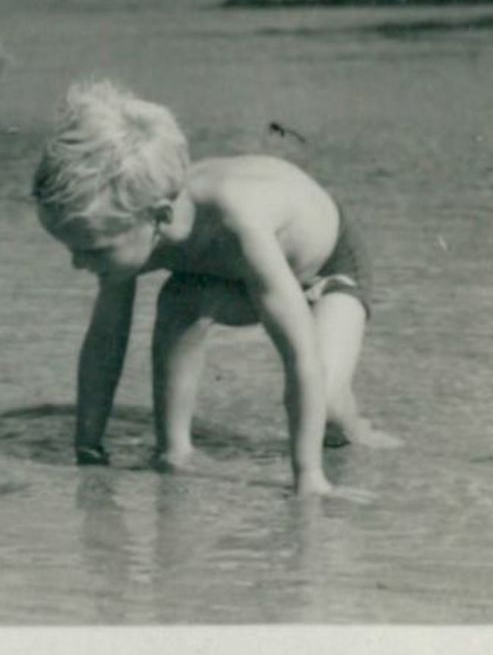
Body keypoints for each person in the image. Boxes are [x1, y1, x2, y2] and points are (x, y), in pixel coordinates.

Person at [31, 79, 399, 498]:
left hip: (327, 266)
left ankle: (353, 425)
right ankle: (173, 451)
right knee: (180, 297)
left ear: (159, 217)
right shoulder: (133, 218)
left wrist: (308, 476)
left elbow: (299, 354)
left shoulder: (238, 220)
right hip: (230, 274)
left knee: (329, 409)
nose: (78, 263)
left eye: (92, 249)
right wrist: (88, 448)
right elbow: (104, 345)